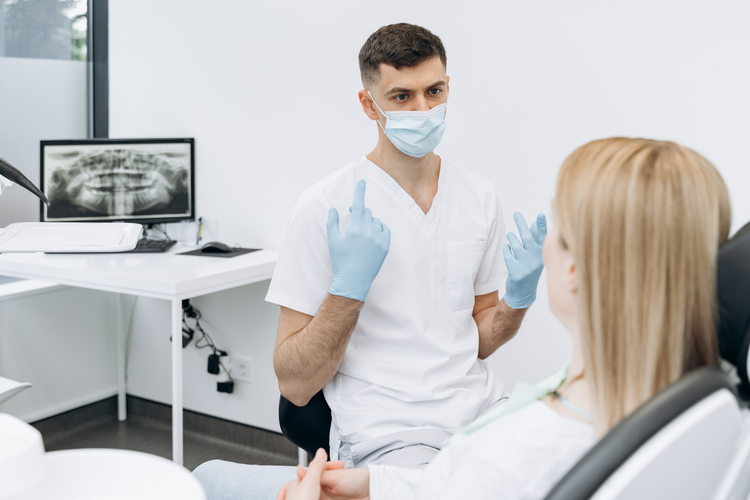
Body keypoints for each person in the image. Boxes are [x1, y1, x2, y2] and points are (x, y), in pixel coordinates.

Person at [194, 23, 546, 499]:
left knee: (560, 473)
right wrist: (349, 287)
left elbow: (477, 343)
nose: (423, 110)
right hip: (391, 432)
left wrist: (517, 301)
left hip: (481, 411)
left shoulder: (479, 197)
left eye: (434, 91)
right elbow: (294, 384)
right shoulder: (325, 205)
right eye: (402, 97)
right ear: (369, 105)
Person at [276, 137, 732, 500]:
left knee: (212, 479)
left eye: (561, 227)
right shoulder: (707, 409)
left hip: (465, 440)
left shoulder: (508, 455)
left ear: (572, 268)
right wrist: (378, 484)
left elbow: (480, 479)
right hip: (407, 444)